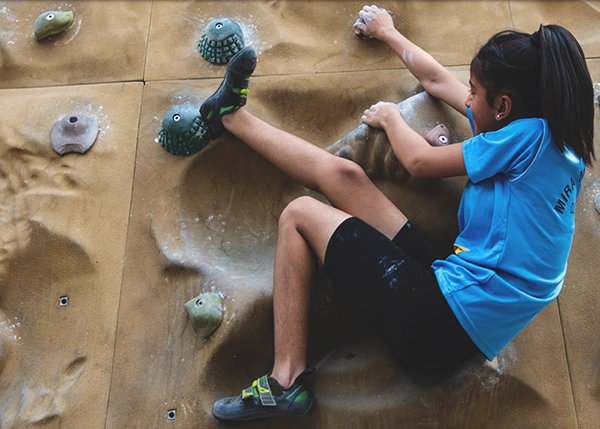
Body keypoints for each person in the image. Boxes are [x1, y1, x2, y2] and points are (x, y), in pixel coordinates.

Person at [199, 5, 595, 422]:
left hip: (438, 324)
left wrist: (391, 117)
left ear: (503, 105)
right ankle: (229, 116)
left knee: (299, 213)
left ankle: (285, 381)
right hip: (451, 308)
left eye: (475, 92)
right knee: (346, 176)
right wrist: (387, 32)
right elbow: (438, 80)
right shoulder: (551, 143)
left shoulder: (527, 136)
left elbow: (420, 162)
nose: (466, 98)